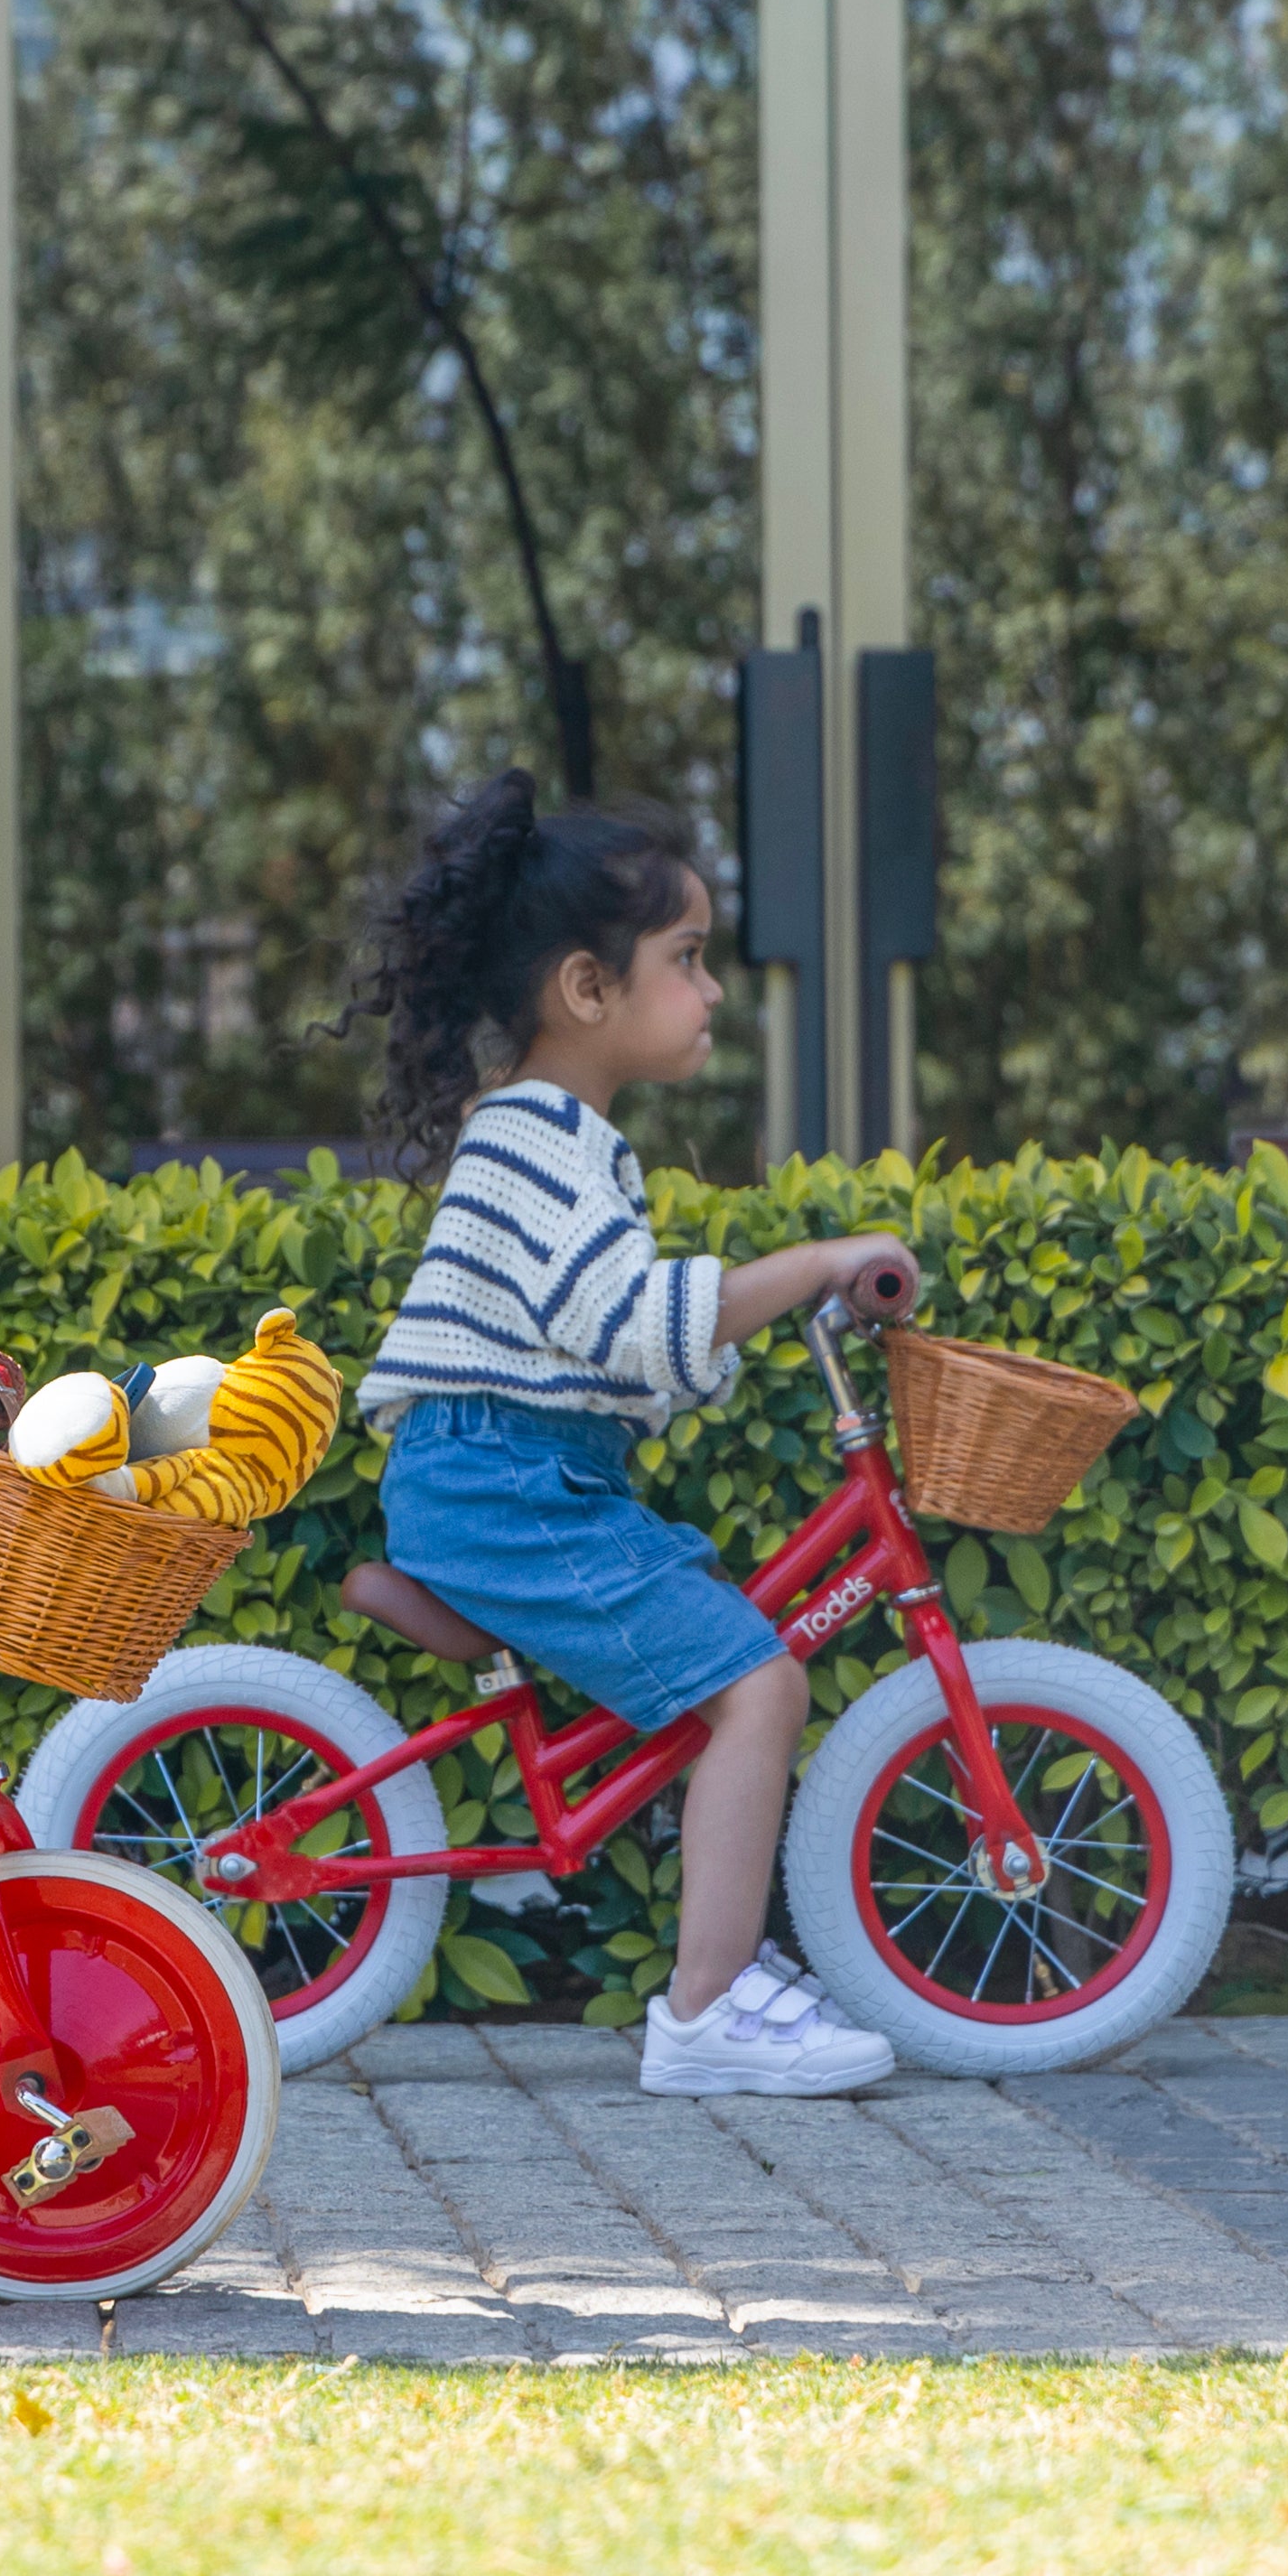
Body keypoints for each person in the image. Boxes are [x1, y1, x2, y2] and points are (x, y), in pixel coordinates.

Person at [349, 771, 912, 2099]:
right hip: (504, 1486)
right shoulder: (539, 1140)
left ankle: (722, 1980)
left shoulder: (568, 1141)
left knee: (724, 1663)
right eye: (688, 960)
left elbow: (618, 1346)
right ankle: (706, 2009)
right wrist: (814, 1260)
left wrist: (740, 1312)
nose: (713, 991)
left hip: (521, 1475)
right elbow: (627, 1321)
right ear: (586, 990)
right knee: (759, 1684)